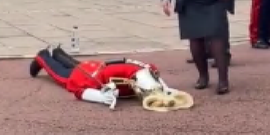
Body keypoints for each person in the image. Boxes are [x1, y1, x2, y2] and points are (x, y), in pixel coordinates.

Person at [29, 47, 192, 111]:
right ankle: (43, 57)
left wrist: (164, 88)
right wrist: (102, 97)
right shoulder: (137, 74)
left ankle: (57, 52)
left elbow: (153, 75)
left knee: (77, 64)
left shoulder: (144, 71)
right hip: (88, 76)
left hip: (95, 67)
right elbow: (81, 91)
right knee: (60, 73)